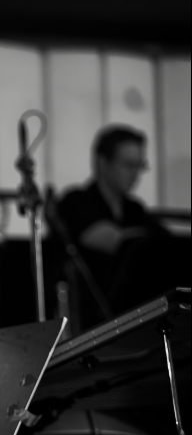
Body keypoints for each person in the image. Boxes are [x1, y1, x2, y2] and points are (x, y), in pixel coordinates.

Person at [53, 125, 171, 328]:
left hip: (132, 320)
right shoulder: (77, 201)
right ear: (102, 162)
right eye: (128, 164)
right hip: (85, 323)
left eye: (139, 165)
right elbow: (115, 241)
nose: (135, 174)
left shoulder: (135, 210)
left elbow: (167, 247)